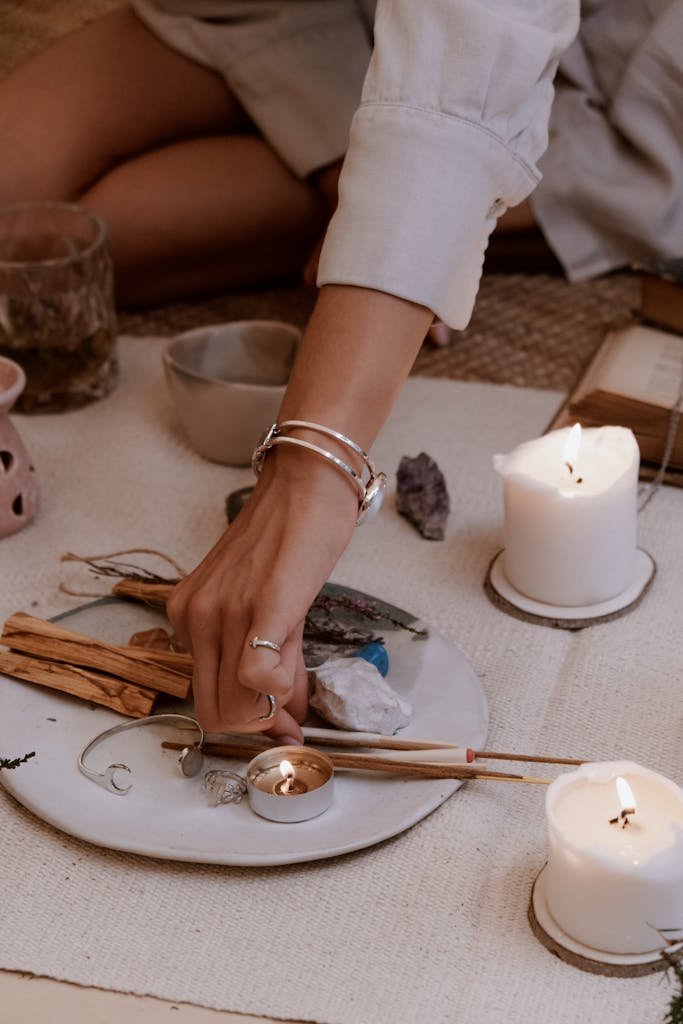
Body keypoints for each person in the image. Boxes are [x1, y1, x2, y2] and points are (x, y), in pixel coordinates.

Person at [9, 0, 674, 741]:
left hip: (541, 46)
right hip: (277, 11)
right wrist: (343, 160)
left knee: (91, 246)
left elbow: (474, 38)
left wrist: (310, 469)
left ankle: (423, 215)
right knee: (29, 229)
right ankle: (384, 205)